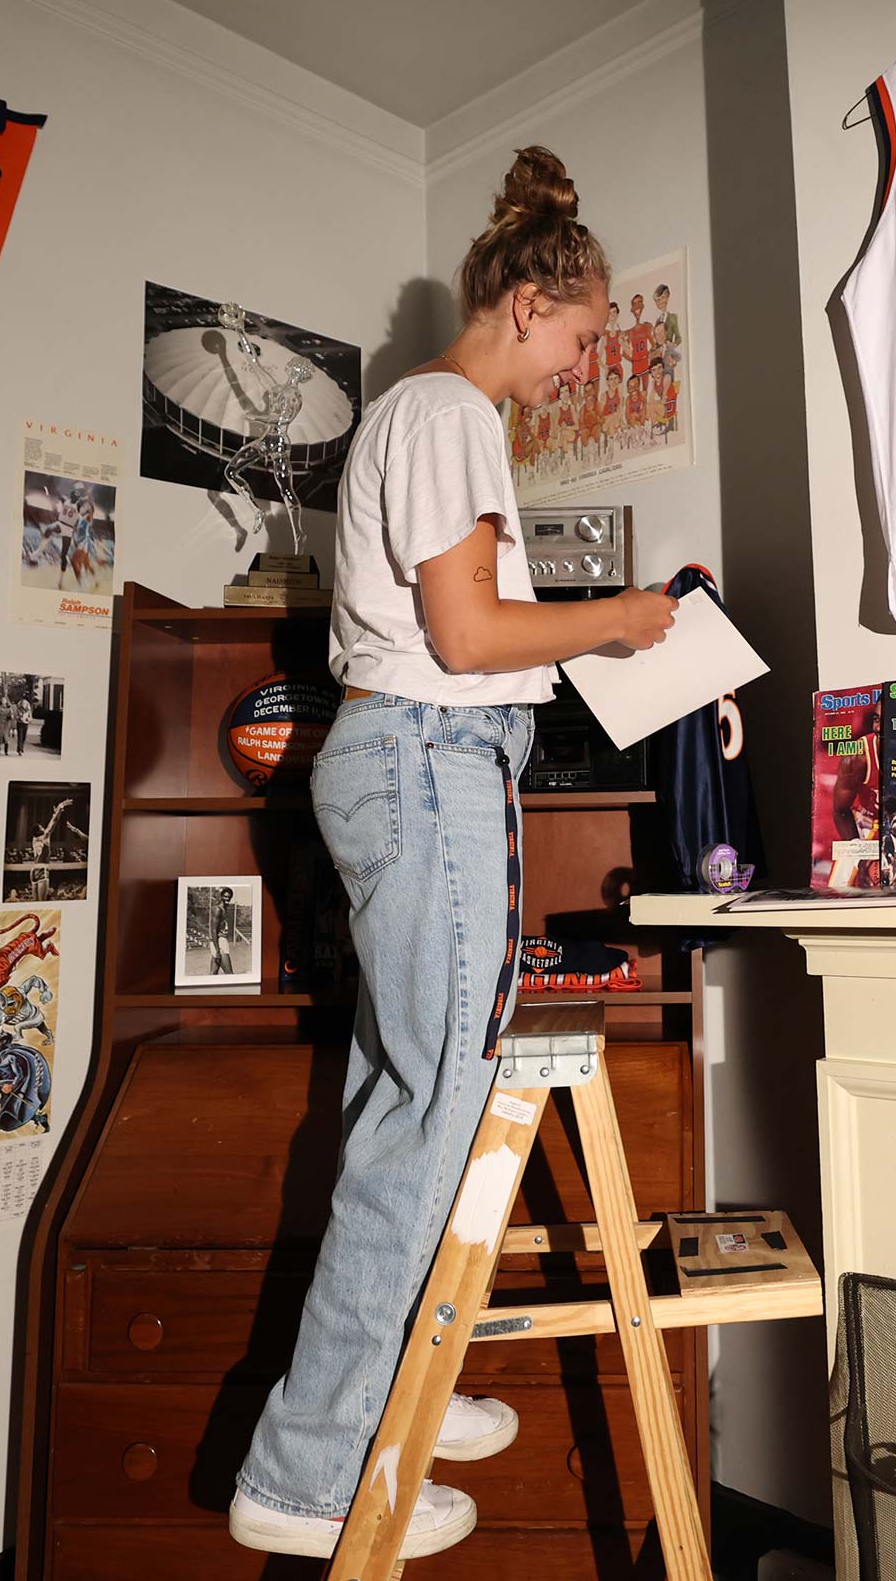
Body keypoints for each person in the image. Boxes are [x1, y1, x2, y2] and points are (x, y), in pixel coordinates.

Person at [228, 147, 675, 1563]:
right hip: (428, 763)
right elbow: (472, 640)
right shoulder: (444, 410)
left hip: (429, 765)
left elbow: (463, 636)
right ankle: (307, 1472)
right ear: (534, 304)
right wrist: (616, 620)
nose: (580, 367)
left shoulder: (438, 419)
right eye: (585, 336)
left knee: (404, 1098)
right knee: (434, 1113)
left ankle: (386, 1393)